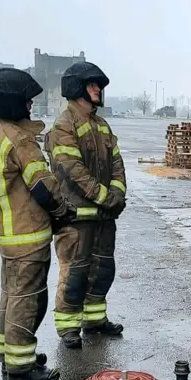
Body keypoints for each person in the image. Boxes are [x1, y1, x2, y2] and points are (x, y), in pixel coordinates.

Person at [0, 68, 75, 380]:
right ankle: (22, 365)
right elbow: (43, 187)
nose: (30, 106)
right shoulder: (19, 139)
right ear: (12, 103)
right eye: (26, 100)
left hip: (6, 234)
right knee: (28, 299)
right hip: (27, 235)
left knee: (10, 296)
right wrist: (63, 210)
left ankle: (10, 354)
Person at [46, 62, 126, 349]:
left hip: (104, 217)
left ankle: (94, 320)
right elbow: (73, 170)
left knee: (103, 269)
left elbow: (117, 164)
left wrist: (117, 194)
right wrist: (106, 197)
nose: (98, 89)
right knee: (75, 273)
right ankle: (68, 327)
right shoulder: (64, 125)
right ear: (77, 87)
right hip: (76, 217)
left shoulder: (101, 126)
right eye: (92, 84)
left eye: (99, 85)